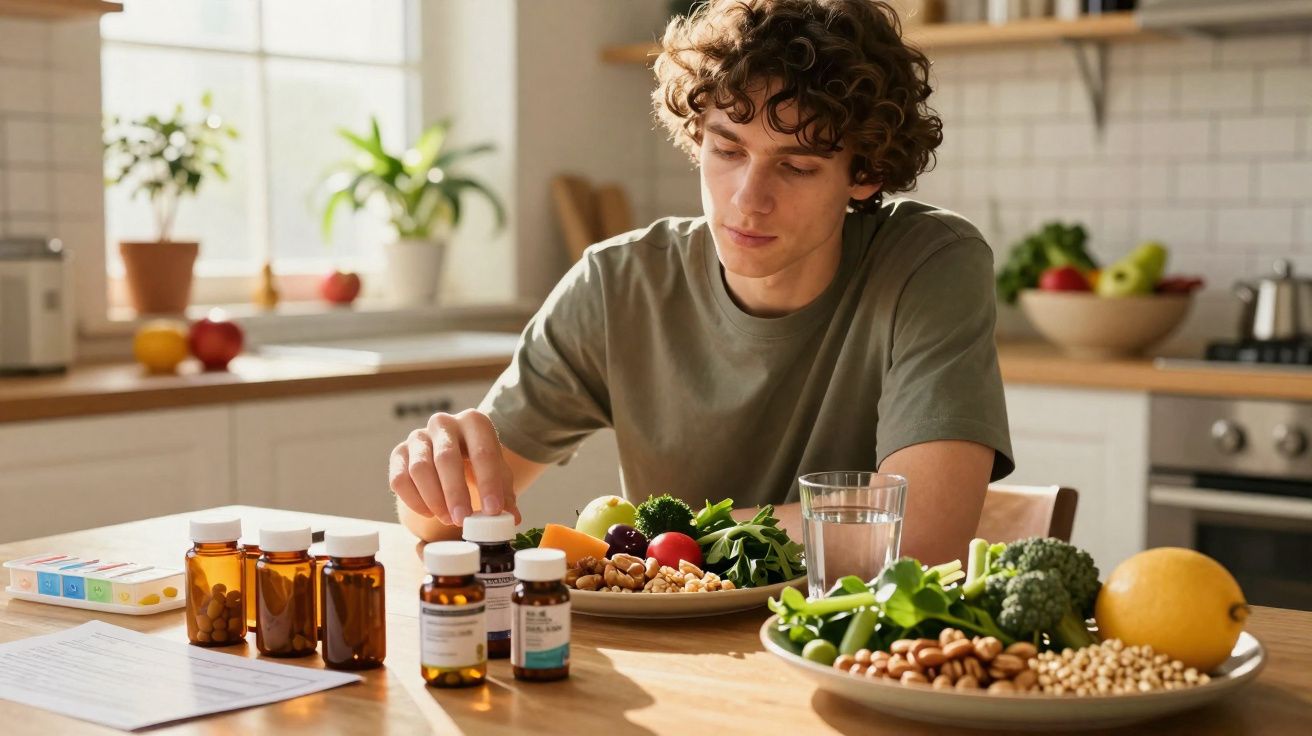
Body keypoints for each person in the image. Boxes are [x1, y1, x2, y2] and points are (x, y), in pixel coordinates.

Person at [388, 0, 1013, 564]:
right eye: (728, 150)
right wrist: (432, 473)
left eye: (795, 166)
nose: (748, 199)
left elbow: (924, 534)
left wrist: (664, 541)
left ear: (864, 175)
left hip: (852, 659)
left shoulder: (930, 261)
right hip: (677, 664)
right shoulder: (617, 284)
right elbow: (445, 522)